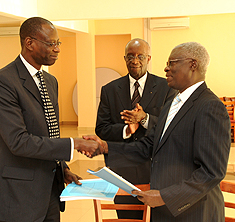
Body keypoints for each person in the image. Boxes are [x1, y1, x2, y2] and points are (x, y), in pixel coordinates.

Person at [84, 42, 231, 222]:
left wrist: (164, 197)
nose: (166, 68)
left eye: (172, 63)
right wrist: (105, 147)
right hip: (164, 210)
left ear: (193, 65)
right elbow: (148, 146)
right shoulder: (173, 104)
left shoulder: (210, 106)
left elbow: (211, 172)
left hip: (194, 212)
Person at [0, 17, 103, 222]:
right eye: (51, 43)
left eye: (58, 43)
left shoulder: (49, 81)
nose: (57, 49)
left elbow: (49, 132)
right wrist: (74, 143)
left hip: (50, 192)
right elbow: (18, 141)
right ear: (29, 43)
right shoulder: (2, 81)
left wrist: (62, 168)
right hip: (18, 196)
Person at [95, 38, 176, 219]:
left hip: (156, 167)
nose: (135, 60)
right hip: (123, 168)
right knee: (128, 217)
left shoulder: (167, 88)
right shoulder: (109, 90)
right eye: (130, 56)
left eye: (140, 56)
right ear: (124, 58)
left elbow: (172, 126)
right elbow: (101, 128)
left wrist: (145, 118)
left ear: (148, 58)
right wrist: (126, 130)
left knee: (160, 217)